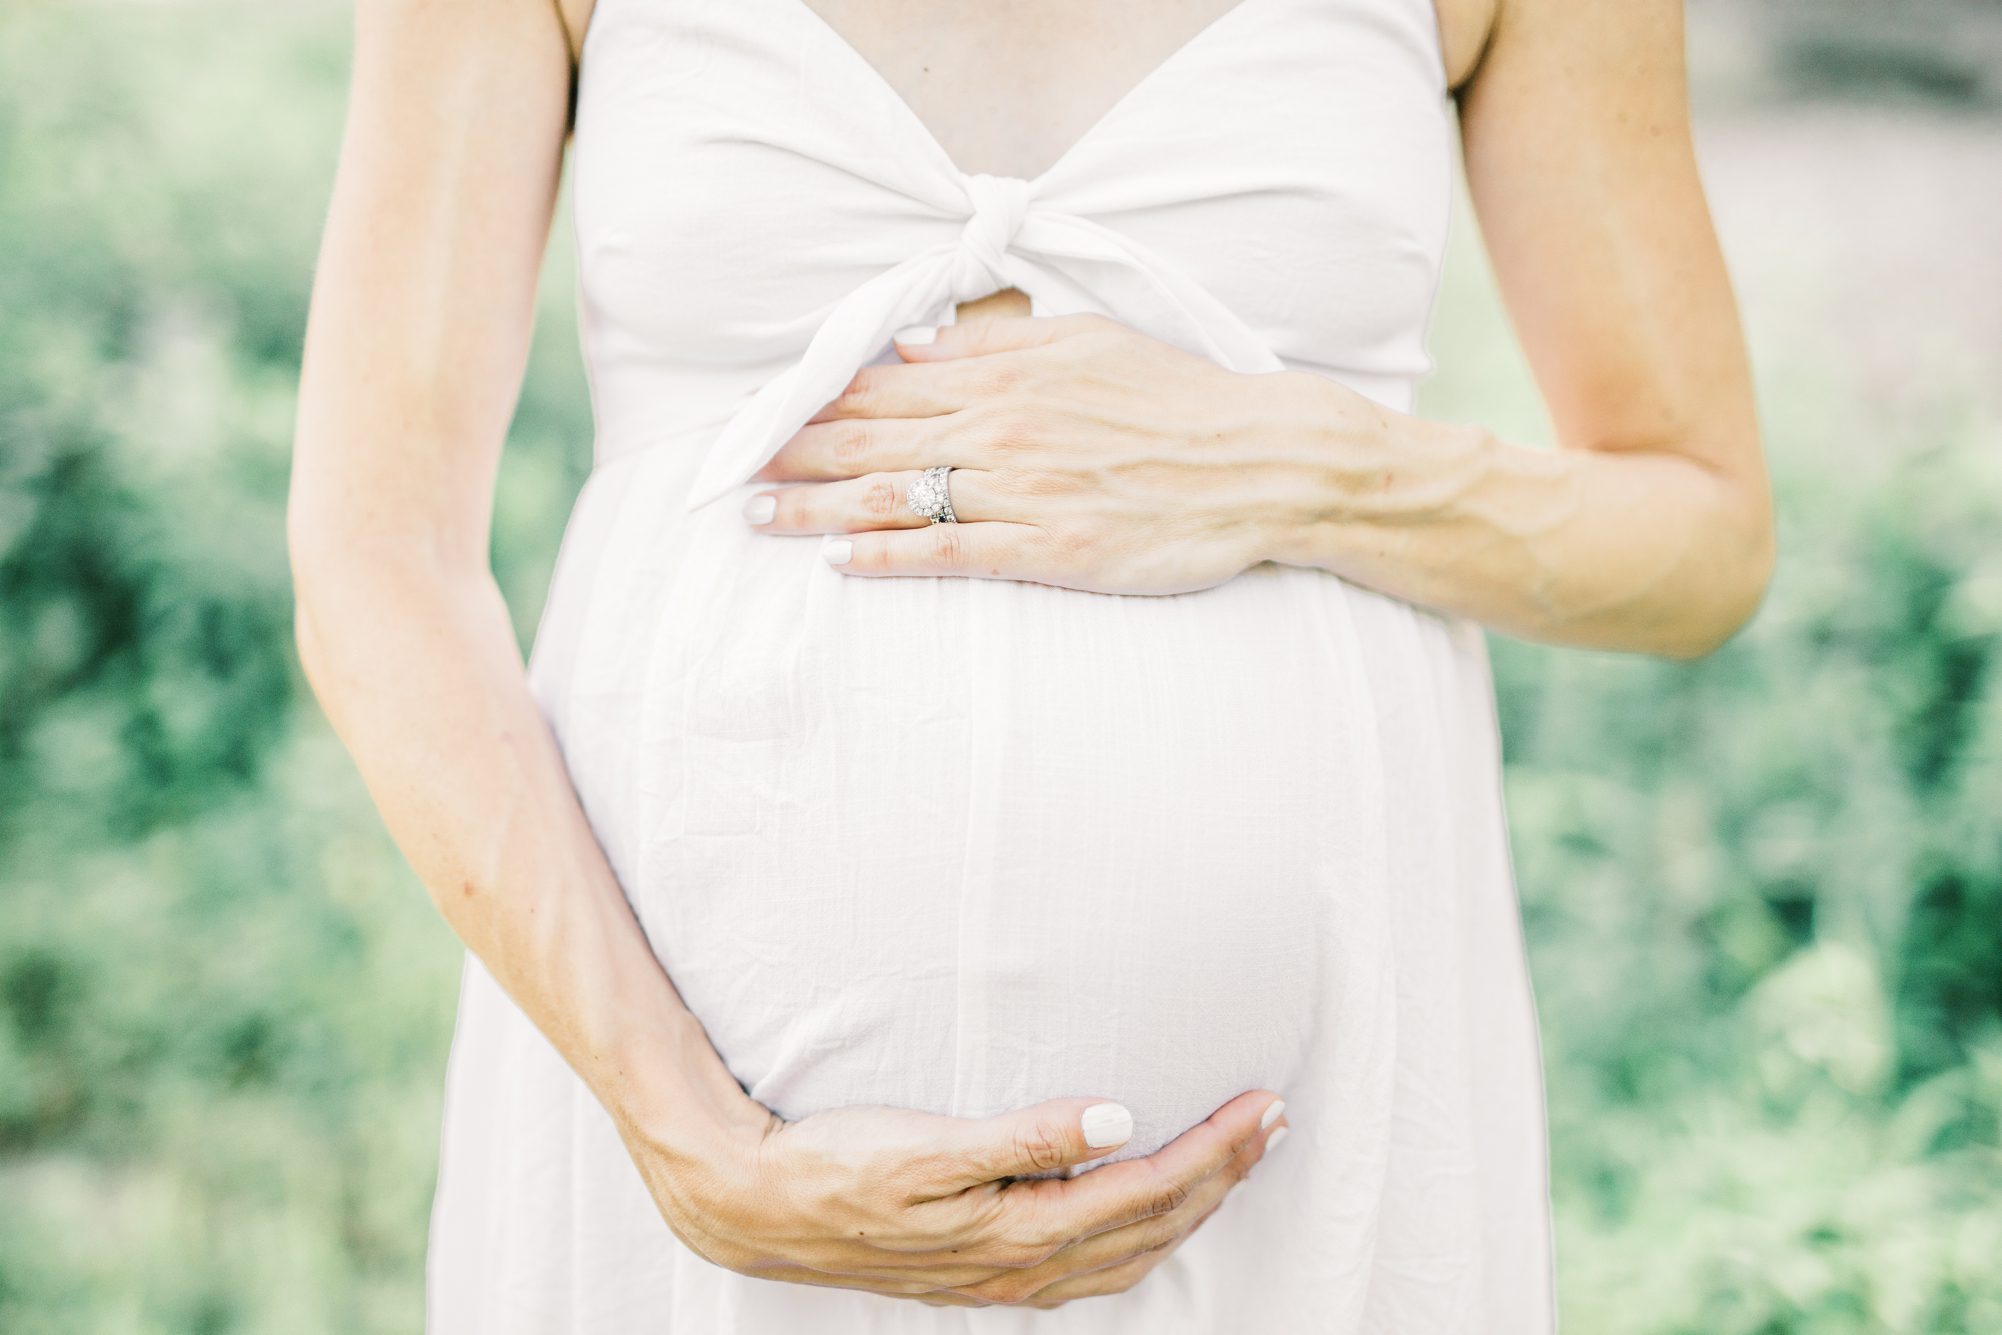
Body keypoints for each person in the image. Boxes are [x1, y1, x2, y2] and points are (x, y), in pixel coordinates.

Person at [287, 0, 1774, 1328]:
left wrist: (1305, 465)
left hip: (1296, 1191)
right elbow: (379, 557)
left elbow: (1699, 535)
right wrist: (695, 1140)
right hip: (688, 1167)